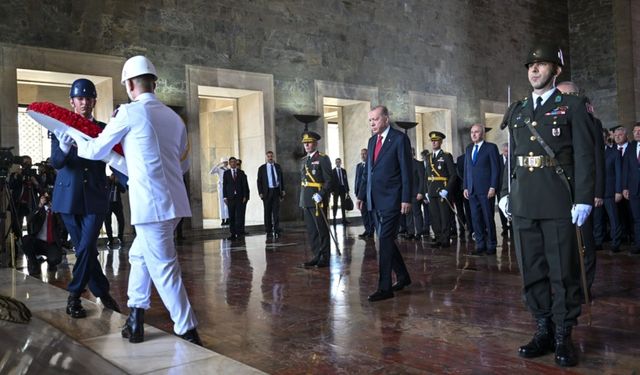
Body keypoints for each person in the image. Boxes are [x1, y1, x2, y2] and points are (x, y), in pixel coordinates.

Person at [61, 56, 200, 345]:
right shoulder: (175, 119)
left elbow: (96, 150)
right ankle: (135, 319)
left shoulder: (128, 113)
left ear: (130, 84)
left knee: (164, 267)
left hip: (151, 206)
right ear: (154, 82)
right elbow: (179, 165)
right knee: (139, 257)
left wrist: (71, 135)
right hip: (173, 204)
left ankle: (188, 330)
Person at [499, 45, 595, 367]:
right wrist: (504, 191)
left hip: (557, 202)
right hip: (524, 201)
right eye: (531, 65)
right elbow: (510, 157)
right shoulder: (518, 110)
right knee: (533, 272)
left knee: (562, 273)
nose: (534, 70)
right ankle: (543, 328)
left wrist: (583, 198)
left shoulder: (572, 106)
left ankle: (563, 334)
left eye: (541, 65)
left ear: (556, 71)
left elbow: (584, 155)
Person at [51, 78, 120, 318]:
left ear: (94, 101)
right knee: (84, 249)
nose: (85, 102)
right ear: (72, 102)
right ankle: (101, 291)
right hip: (68, 196)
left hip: (94, 194)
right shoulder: (59, 127)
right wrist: (63, 148)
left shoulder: (103, 128)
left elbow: (114, 158)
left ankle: (74, 296)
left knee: (87, 245)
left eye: (89, 98)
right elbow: (56, 163)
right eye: (80, 98)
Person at [357, 105, 412, 302]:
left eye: (376, 119)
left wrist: (406, 198)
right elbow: (368, 172)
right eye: (370, 120)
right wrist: (362, 195)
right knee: (386, 239)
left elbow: (407, 171)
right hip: (374, 198)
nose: (372, 123)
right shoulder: (372, 141)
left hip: (393, 199)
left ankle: (385, 287)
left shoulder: (399, 139)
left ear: (386, 119)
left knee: (384, 240)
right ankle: (404, 276)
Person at [463, 124, 500, 255]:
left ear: (482, 133)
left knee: (488, 218)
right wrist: (465, 187)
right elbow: (467, 169)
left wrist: (493, 186)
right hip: (472, 190)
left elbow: (496, 169)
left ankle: (491, 244)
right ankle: (480, 244)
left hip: (486, 190)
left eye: (476, 132)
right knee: (475, 219)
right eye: (472, 132)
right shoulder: (468, 148)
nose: (473, 134)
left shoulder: (491, 148)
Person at [299, 131, 333, 268]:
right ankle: (316, 255)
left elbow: (329, 180)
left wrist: (322, 193)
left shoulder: (323, 158)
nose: (306, 145)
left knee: (321, 229)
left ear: (315, 143)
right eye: (304, 143)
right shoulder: (304, 160)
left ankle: (324, 257)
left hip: (318, 199)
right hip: (306, 199)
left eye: (309, 142)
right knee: (312, 230)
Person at [425, 131, 457, 247]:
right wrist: (426, 191)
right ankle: (438, 237)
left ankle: (445, 239)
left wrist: (447, 189)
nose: (433, 143)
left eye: (436, 140)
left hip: (442, 189)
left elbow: (453, 175)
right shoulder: (428, 157)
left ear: (440, 142)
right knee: (434, 216)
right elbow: (426, 175)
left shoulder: (446, 156)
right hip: (432, 190)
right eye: (432, 141)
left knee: (444, 215)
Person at [22, 194, 64, 276]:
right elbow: (29, 219)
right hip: (38, 242)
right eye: (45, 198)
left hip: (51, 244)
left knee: (55, 259)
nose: (48, 201)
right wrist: (39, 206)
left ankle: (51, 263)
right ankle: (33, 262)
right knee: (26, 241)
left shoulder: (57, 213)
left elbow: (63, 227)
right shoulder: (40, 210)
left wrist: (56, 212)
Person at [8, 155, 40, 240]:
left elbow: (40, 189)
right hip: (18, 204)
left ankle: (32, 244)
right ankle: (16, 246)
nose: (26, 165)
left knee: (32, 225)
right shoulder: (16, 174)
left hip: (31, 203)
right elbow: (10, 186)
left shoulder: (35, 175)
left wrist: (35, 182)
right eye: (25, 162)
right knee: (16, 226)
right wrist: (15, 177)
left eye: (29, 162)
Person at [257, 151, 285, 238]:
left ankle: (276, 228)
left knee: (276, 211)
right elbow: (259, 181)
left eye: (271, 156)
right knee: (267, 211)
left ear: (273, 157)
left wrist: (283, 190)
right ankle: (268, 229)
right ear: (266, 157)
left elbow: (281, 179)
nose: (270, 158)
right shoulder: (262, 168)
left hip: (276, 191)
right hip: (267, 192)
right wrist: (260, 192)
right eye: (268, 156)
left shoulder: (277, 166)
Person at [622, 123, 640, 255]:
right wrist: (625, 187)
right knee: (637, 218)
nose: (637, 133)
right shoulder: (631, 147)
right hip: (634, 189)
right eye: (635, 131)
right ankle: (638, 244)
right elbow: (625, 169)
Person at [223, 156, 250, 240]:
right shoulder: (226, 173)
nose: (233, 163)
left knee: (239, 216)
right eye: (231, 162)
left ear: (236, 163)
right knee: (231, 216)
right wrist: (224, 197)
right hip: (230, 198)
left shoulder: (241, 172)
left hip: (239, 197)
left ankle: (239, 233)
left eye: (234, 162)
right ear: (229, 163)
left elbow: (244, 185)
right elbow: (224, 185)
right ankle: (232, 234)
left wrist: (245, 196)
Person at [355, 148, 375, 239]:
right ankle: (367, 230)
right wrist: (357, 192)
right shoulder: (358, 166)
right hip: (360, 194)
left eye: (365, 154)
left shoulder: (371, 165)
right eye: (361, 154)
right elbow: (357, 180)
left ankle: (371, 231)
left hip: (369, 194)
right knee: (364, 213)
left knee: (370, 213)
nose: (363, 156)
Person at [105, 173, 126, 249]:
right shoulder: (106, 180)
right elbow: (103, 188)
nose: (114, 177)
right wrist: (110, 181)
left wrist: (117, 183)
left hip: (117, 204)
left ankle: (120, 237)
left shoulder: (118, 181)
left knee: (121, 221)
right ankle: (110, 239)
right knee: (107, 222)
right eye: (112, 175)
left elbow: (123, 190)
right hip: (108, 205)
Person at [210, 158, 230, 226]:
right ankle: (222, 219)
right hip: (221, 187)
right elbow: (211, 172)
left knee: (227, 204)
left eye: (226, 162)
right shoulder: (219, 169)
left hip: (227, 187)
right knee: (221, 203)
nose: (226, 163)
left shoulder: (229, 170)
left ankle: (227, 218)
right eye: (224, 162)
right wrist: (217, 165)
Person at [497, 143, 511, 236]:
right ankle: (504, 227)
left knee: (511, 207)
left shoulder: (513, 158)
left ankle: (512, 226)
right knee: (501, 207)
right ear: (502, 151)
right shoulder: (497, 159)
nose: (507, 153)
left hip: (511, 188)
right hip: (499, 187)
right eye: (505, 151)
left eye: (508, 151)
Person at [331, 158, 350, 225]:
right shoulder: (332, 171)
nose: (338, 163)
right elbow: (331, 182)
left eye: (339, 162)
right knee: (335, 204)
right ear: (335, 163)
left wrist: (347, 190)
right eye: (337, 162)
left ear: (340, 162)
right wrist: (331, 190)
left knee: (343, 204)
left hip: (342, 188)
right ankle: (334, 219)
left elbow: (345, 180)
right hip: (335, 190)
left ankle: (344, 219)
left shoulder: (343, 171)